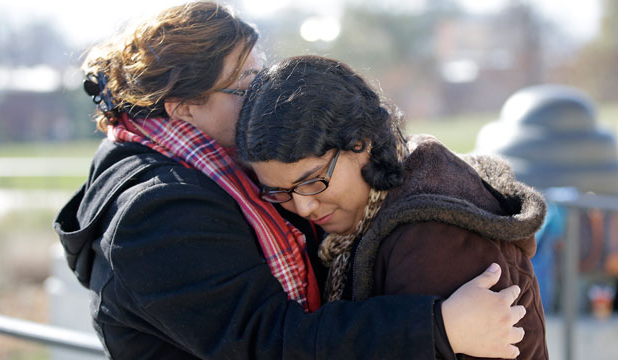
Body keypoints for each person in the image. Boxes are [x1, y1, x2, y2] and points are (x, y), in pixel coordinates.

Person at [54, 2, 526, 359]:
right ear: (183, 108)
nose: (264, 96)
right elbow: (267, 341)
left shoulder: (188, 168)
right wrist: (437, 328)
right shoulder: (158, 210)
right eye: (244, 86)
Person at [237, 55, 549, 359]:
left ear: (361, 142)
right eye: (279, 191)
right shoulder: (385, 191)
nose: (304, 207)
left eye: (312, 181)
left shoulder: (430, 237)